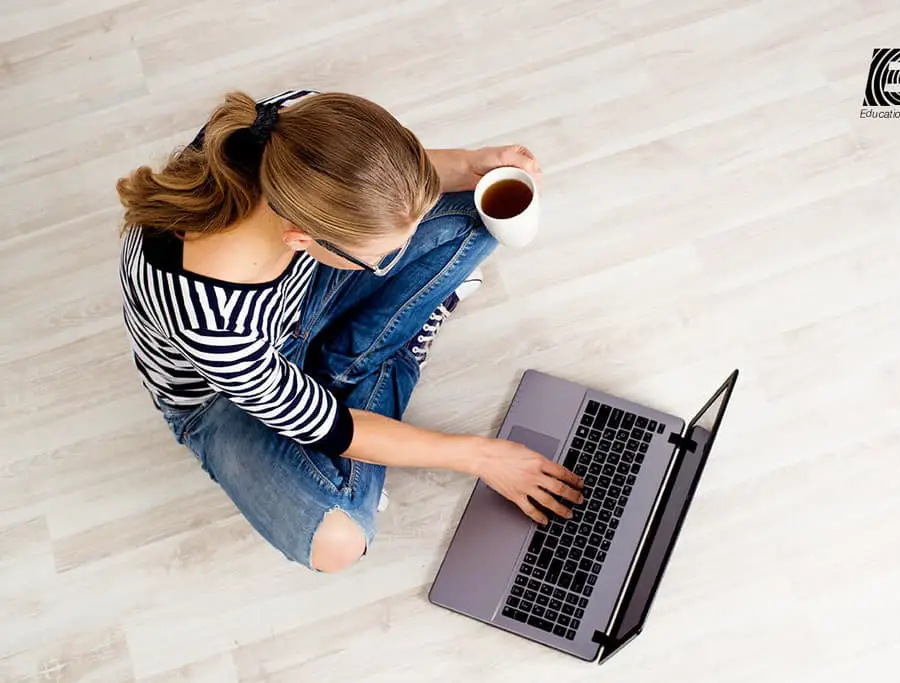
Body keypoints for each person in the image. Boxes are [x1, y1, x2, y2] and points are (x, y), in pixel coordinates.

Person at [115, 89, 584, 572]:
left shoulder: (288, 126)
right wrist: (483, 458)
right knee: (338, 539)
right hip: (222, 400)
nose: (386, 264)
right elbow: (331, 428)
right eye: (377, 259)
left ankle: (375, 351)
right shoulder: (210, 324)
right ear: (301, 236)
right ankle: (390, 354)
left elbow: (379, 182)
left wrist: (472, 165)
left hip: (297, 298)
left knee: (481, 204)